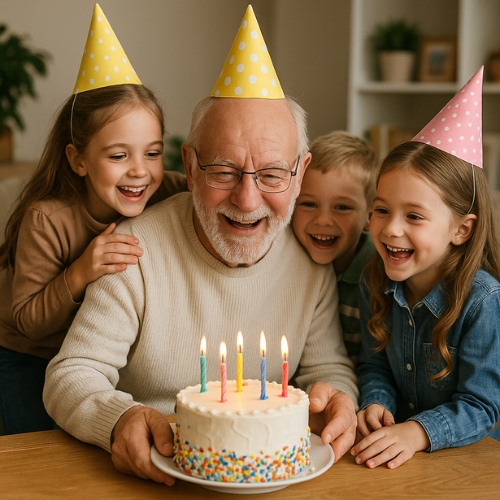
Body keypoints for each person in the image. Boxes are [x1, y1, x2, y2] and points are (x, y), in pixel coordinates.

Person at [44, 5, 358, 486]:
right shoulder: (133, 252)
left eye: (272, 173)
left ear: (299, 174)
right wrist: (117, 421)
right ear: (189, 167)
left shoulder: (310, 264)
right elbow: (72, 373)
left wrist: (337, 398)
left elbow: (329, 367)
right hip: (148, 475)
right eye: (223, 171)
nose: (247, 199)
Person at [0, 5, 187, 435]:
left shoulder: (168, 190)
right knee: (36, 454)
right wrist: (81, 270)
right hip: (29, 355)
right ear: (78, 159)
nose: (140, 171)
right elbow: (28, 320)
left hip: (98, 357)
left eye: (153, 153)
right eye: (119, 156)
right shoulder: (47, 218)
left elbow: (210, 196)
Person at [351, 67, 500, 469]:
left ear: (461, 230)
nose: (391, 228)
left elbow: (484, 407)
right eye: (381, 210)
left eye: (414, 216)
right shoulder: (374, 279)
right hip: (401, 462)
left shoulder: (483, 301)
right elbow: (373, 364)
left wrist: (417, 431)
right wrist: (376, 403)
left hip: (474, 465)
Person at [293, 131, 378, 366]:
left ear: (369, 218)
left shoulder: (379, 273)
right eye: (309, 204)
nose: (322, 220)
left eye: (342, 207)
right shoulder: (287, 258)